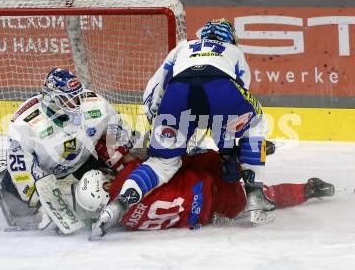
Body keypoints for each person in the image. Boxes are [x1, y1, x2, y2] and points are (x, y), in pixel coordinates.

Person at [91, 18, 272, 238]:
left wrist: (157, 123)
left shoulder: (183, 46)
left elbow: (155, 86)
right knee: (257, 122)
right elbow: (232, 114)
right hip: (220, 88)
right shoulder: (234, 51)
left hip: (177, 96)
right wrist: (227, 151)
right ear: (230, 38)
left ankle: (118, 205)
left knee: (162, 163)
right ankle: (255, 195)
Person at [0, 68, 133, 231]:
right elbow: (21, 173)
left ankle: (94, 211)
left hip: (82, 160)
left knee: (104, 190)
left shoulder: (96, 105)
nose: (77, 103)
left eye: (78, 96)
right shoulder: (24, 124)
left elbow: (117, 132)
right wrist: (39, 204)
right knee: (20, 213)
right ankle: (6, 181)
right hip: (40, 171)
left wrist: (126, 161)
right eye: (69, 99)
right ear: (51, 100)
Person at [76, 150, 335, 235]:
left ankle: (306, 189)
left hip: (211, 212)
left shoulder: (124, 223)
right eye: (105, 179)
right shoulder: (124, 182)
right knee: (192, 157)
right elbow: (154, 163)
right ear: (106, 187)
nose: (109, 177)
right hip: (209, 181)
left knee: (260, 196)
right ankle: (250, 152)